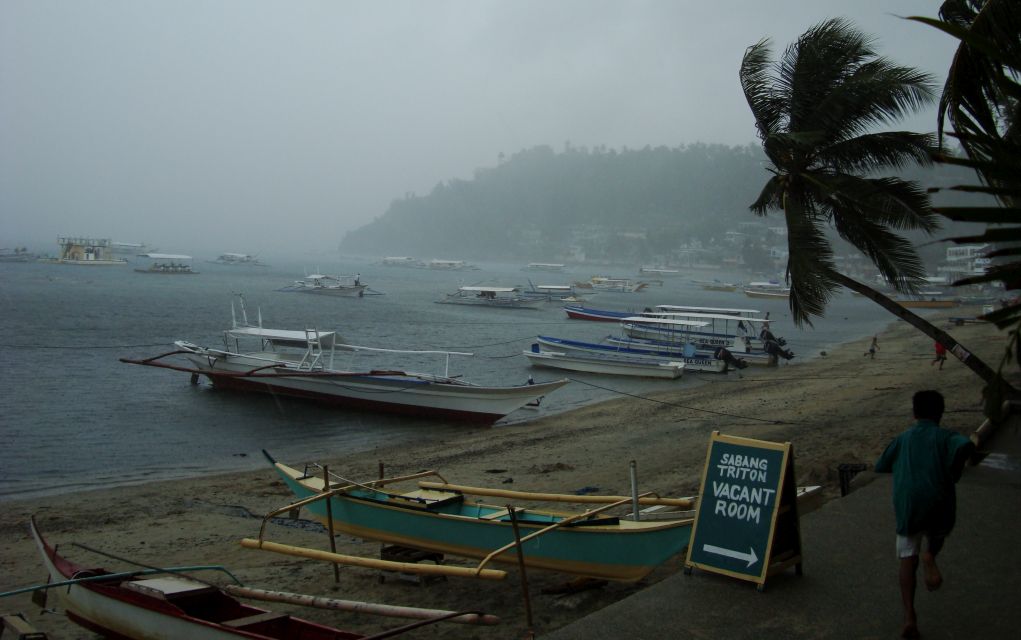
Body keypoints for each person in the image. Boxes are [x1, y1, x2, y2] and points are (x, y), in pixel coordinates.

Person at [874, 390, 974, 639]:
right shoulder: (946, 436)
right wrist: (954, 470)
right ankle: (930, 553)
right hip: (938, 501)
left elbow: (881, 465)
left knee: (907, 557)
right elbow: (966, 446)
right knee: (939, 529)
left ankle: (909, 616)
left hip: (908, 505)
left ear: (914, 413)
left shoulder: (903, 438)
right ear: (940, 413)